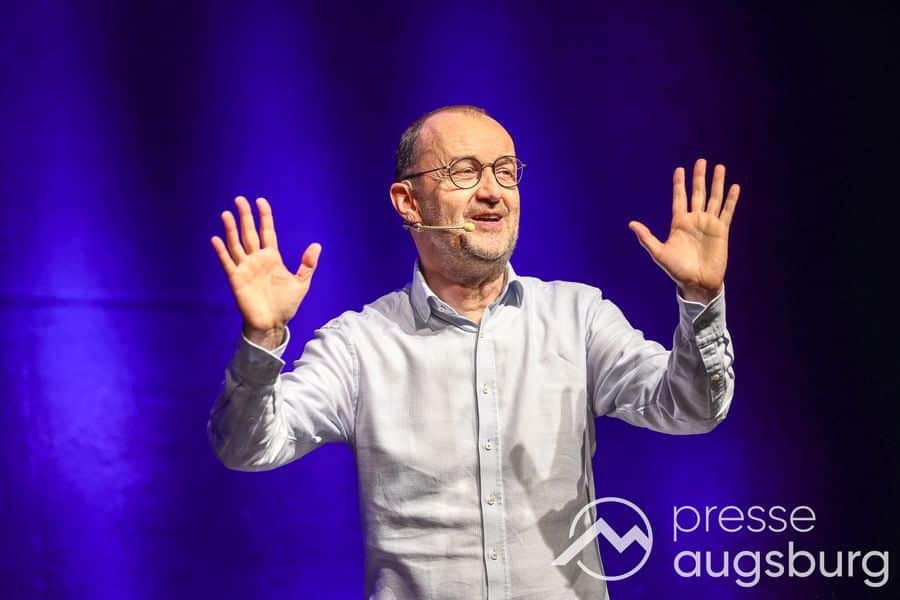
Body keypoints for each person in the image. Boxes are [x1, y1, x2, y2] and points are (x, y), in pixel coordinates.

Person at [207, 105, 740, 599]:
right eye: (465, 171)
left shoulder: (578, 317)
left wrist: (701, 300)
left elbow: (692, 408)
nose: (493, 192)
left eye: (506, 172)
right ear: (408, 202)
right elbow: (248, 447)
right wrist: (263, 340)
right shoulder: (359, 345)